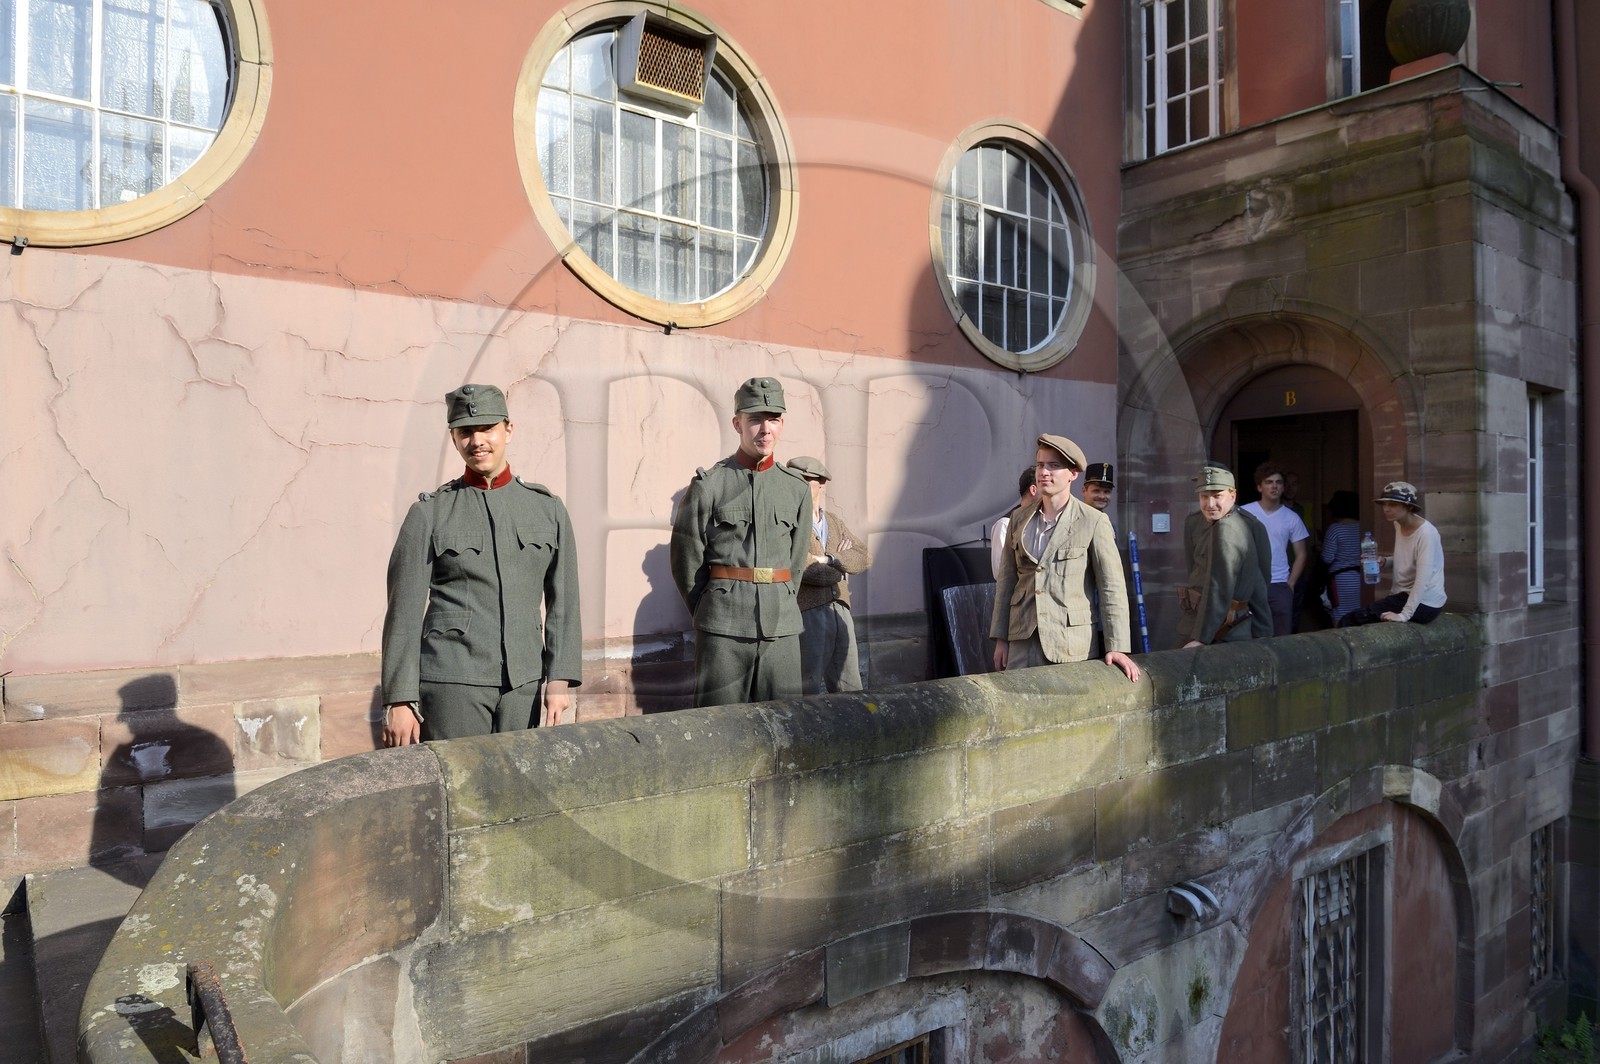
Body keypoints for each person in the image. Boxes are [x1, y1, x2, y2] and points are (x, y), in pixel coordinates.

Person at [381, 384, 581, 745]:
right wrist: (399, 698)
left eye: (487, 428)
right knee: (461, 790)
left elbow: (563, 602)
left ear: (508, 429)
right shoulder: (431, 512)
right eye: (465, 432)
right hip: (453, 680)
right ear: (454, 438)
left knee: (517, 791)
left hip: (523, 681)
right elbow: (403, 612)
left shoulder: (547, 509)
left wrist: (559, 679)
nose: (477, 441)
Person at [670, 377, 812, 707]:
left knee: (786, 727)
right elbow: (686, 562)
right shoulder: (710, 485)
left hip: (781, 630)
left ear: (782, 423)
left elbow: (795, 564)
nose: (765, 429)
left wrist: (782, 599)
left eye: (773, 419)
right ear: (738, 423)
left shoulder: (796, 489)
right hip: (723, 630)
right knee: (718, 731)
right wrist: (712, 608)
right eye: (755, 420)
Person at [990, 434, 1141, 682]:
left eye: (1053, 466)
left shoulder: (1093, 521)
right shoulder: (1019, 519)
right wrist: (1001, 638)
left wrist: (1117, 646)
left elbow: (1111, 587)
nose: (1044, 472)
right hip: (1021, 643)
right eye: (1040, 465)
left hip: (1070, 644)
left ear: (1073, 473)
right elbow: (1007, 581)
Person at [787, 456, 872, 693]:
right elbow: (800, 566)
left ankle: (853, 729)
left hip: (841, 609)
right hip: (807, 611)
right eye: (794, 479)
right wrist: (839, 569)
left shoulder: (833, 521)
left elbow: (864, 556)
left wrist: (830, 558)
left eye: (806, 480)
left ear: (821, 483)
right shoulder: (788, 522)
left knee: (850, 685)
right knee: (807, 685)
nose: (799, 485)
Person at [1178, 462, 1272, 647]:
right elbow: (1195, 572)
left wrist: (1263, 631)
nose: (1210, 504)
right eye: (1204, 496)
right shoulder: (1193, 522)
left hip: (1229, 627)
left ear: (1233, 495)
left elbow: (1259, 580)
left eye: (1217, 496)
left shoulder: (1249, 525)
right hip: (1194, 619)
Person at [1338, 481, 1446, 626]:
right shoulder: (1398, 524)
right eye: (1385, 504)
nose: (1386, 509)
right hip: (1402, 596)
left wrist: (1404, 615)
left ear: (1408, 507)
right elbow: (1409, 559)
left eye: (1393, 504)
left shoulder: (1426, 533)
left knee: (1350, 621)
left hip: (1423, 603)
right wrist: (1385, 561)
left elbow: (1423, 579)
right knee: (1356, 619)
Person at [1239, 462, 1310, 635]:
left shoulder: (1292, 518)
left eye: (1278, 482)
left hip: (1279, 584)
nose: (1274, 486)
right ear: (1259, 487)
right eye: (1269, 482)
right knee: (1249, 634)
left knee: (1281, 635)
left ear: (1283, 487)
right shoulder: (1244, 513)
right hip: (1251, 583)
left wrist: (1290, 584)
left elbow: (1301, 554)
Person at [1320, 490, 1363, 624]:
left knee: (1340, 618)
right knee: (1359, 616)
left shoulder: (1335, 529)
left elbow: (1327, 557)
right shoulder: (1363, 527)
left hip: (1340, 580)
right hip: (1360, 577)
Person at [990, 466, 1038, 578]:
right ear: (1033, 490)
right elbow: (1000, 572)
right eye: (1044, 486)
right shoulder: (1005, 524)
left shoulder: (1045, 520)